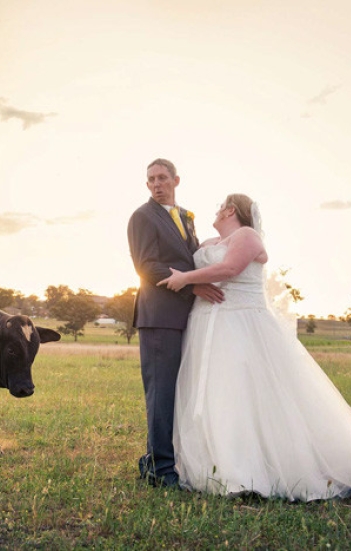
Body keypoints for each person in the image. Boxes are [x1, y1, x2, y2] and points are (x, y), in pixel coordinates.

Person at [158, 193, 351, 500]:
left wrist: (186, 278)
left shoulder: (247, 236)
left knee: (245, 392)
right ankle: (215, 464)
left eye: (219, 206)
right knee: (217, 394)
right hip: (205, 326)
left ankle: (250, 469)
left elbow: (229, 270)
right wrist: (191, 281)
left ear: (230, 209)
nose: (215, 210)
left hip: (241, 326)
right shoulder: (205, 244)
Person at [127, 158, 224, 488]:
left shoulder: (185, 217)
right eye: (151, 179)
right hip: (159, 316)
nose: (157, 184)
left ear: (176, 180)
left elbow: (190, 257)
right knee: (161, 393)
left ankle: (156, 459)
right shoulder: (142, 217)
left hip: (185, 315)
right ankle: (160, 469)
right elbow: (146, 267)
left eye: (163, 178)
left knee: (179, 391)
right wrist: (193, 285)